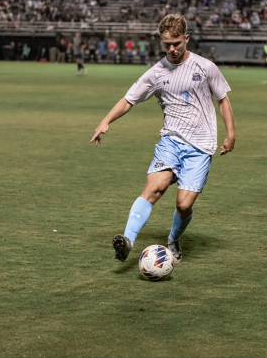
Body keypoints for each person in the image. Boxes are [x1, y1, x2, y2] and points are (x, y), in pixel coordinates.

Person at [90, 14, 236, 263]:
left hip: (200, 146)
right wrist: (106, 120)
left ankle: (174, 240)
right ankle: (127, 240)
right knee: (153, 188)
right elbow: (129, 100)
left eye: (177, 43)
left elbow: (222, 99)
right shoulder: (156, 73)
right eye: (167, 43)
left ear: (186, 38)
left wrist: (231, 134)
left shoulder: (206, 67)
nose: (172, 48)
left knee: (183, 205)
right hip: (170, 141)